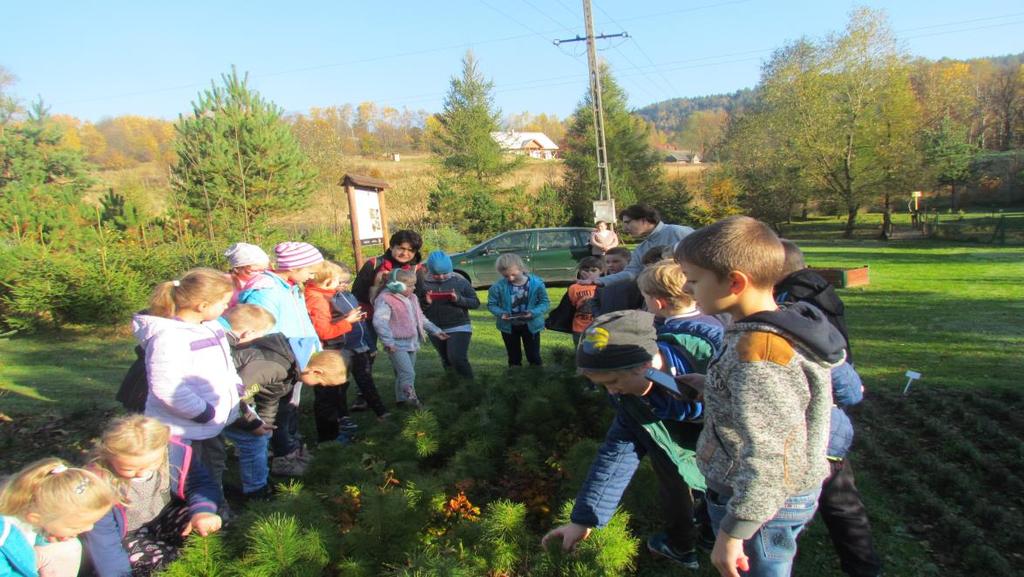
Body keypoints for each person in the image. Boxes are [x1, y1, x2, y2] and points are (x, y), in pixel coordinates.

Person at [675, 216, 844, 577]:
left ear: (735, 281)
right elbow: (779, 401)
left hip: (759, 505)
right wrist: (713, 386)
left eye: (693, 280)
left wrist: (735, 531)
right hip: (765, 498)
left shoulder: (759, 353)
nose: (688, 290)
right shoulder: (768, 327)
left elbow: (770, 454)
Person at [541, 311, 709, 570]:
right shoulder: (630, 397)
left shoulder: (718, 364)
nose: (611, 391)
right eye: (602, 385)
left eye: (614, 381)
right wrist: (582, 520)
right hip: (676, 452)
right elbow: (617, 454)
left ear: (647, 365)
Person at [774, 241, 881, 577]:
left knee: (834, 501)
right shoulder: (817, 293)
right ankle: (864, 568)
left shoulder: (793, 311)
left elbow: (839, 374)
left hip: (815, 421)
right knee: (841, 503)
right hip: (828, 417)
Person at [134, 268, 241, 501]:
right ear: (202, 305)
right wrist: (203, 412)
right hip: (186, 426)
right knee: (187, 478)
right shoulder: (170, 337)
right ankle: (193, 518)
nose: (227, 307)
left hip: (212, 422)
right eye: (223, 302)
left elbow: (226, 364)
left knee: (214, 465)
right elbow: (166, 386)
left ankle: (215, 507)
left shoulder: (211, 327)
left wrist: (236, 387)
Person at [83, 415, 222, 577]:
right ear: (109, 457)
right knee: (156, 564)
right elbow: (105, 543)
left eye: (152, 465)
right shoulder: (98, 484)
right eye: (129, 469)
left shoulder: (175, 454)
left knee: (211, 526)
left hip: (164, 517)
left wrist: (203, 512)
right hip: (127, 535)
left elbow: (201, 484)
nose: (142, 473)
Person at [221, 304, 306, 486]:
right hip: (219, 403)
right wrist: (252, 423)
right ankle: (256, 489)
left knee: (257, 438)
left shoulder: (229, 343)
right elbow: (236, 396)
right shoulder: (268, 366)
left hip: (223, 402)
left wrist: (263, 422)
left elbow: (269, 395)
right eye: (260, 334)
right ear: (247, 332)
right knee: (253, 441)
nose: (260, 339)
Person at [0, 458, 117, 577]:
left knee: (68, 547)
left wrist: (44, 535)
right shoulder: (3, 538)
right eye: (74, 526)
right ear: (35, 518)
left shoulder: (32, 515)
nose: (89, 528)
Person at [349, 230, 425, 410]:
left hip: (400, 318)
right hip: (370, 315)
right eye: (401, 248)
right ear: (392, 247)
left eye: (410, 250)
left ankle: (405, 394)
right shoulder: (374, 264)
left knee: (402, 357)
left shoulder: (417, 269)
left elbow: (418, 294)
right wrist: (378, 290)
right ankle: (364, 395)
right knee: (367, 356)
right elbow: (357, 292)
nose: (405, 253)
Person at [305, 261, 369, 443]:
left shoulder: (320, 295)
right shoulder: (318, 300)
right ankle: (329, 438)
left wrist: (343, 318)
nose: (340, 284)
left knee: (333, 393)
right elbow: (324, 331)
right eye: (337, 281)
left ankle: (335, 430)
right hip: (326, 351)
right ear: (327, 281)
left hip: (330, 348)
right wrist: (347, 321)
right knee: (327, 394)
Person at [373, 269, 448, 408]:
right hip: (396, 344)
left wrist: (436, 331)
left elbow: (421, 318)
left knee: (403, 373)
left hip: (412, 343)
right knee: (408, 373)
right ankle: (413, 402)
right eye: (410, 285)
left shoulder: (412, 298)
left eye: (414, 284)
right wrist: (388, 342)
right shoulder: (385, 299)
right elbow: (379, 322)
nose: (414, 288)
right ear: (396, 286)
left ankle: (401, 400)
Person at [774, 239, 853, 362]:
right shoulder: (817, 285)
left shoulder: (791, 297)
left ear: (776, 267)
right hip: (841, 359)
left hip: (821, 365)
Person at [329, 271, 390, 420]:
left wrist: (370, 344)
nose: (344, 285)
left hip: (359, 345)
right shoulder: (328, 300)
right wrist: (346, 319)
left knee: (366, 380)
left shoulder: (350, 296)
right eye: (341, 282)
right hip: (340, 348)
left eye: (347, 282)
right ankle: (342, 417)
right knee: (339, 384)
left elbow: (361, 322)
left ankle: (381, 412)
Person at [589, 204, 694, 289]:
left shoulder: (678, 232)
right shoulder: (641, 248)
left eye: (627, 222)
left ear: (643, 220)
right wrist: (599, 280)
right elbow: (631, 272)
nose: (625, 229)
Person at [417, 251, 481, 379]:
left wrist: (458, 299)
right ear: (430, 270)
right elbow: (416, 309)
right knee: (446, 359)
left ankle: (470, 385)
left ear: (450, 269)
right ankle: (452, 385)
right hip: (434, 328)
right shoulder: (423, 284)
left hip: (459, 325)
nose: (441, 277)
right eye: (436, 274)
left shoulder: (460, 281)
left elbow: (475, 303)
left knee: (457, 357)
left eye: (444, 273)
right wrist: (426, 302)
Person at [487, 253, 550, 367]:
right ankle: (515, 378)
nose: (510, 278)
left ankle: (538, 378)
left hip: (531, 325)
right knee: (514, 357)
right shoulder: (497, 287)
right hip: (509, 327)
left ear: (521, 268)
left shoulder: (536, 284)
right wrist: (501, 314)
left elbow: (544, 302)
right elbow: (492, 304)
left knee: (534, 356)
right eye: (506, 276)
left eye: (513, 274)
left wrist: (533, 313)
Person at [567, 256, 605, 345]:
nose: (590, 273)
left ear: (601, 271)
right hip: (579, 328)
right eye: (586, 270)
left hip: (599, 327)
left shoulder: (603, 286)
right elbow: (570, 306)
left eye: (593, 270)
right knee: (580, 354)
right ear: (580, 271)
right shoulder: (574, 287)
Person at [223, 242, 270, 307]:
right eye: (254, 271)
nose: (258, 274)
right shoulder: (226, 283)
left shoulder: (264, 280)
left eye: (263, 270)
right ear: (237, 269)